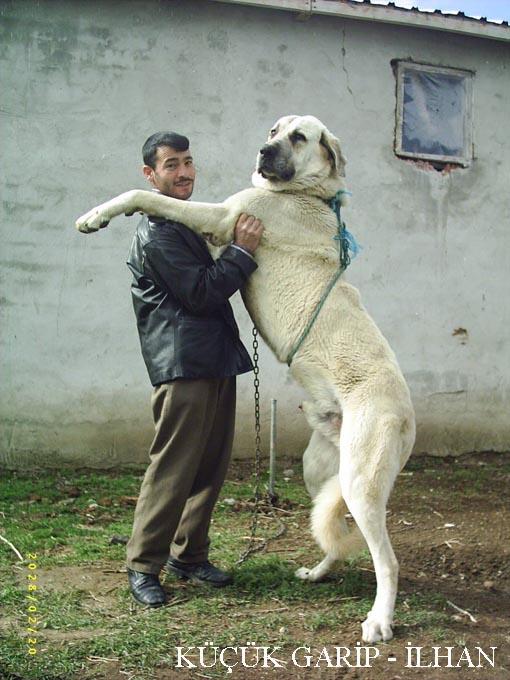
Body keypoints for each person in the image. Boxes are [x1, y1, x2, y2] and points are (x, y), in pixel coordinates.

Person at [125, 131, 264, 607]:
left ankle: (189, 555)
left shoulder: (182, 224)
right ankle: (144, 565)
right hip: (183, 366)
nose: (184, 173)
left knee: (209, 466)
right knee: (173, 469)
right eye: (171, 166)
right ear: (150, 176)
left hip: (214, 360)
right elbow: (201, 292)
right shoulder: (158, 232)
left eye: (187, 162)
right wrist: (242, 254)